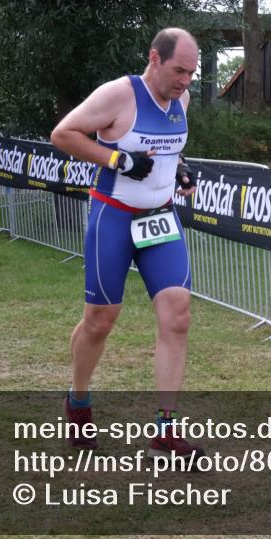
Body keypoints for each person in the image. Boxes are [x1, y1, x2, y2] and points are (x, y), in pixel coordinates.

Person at [51, 28, 201, 458]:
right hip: (113, 215)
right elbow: (64, 134)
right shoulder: (119, 95)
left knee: (177, 316)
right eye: (178, 71)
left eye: (192, 73)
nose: (185, 81)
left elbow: (167, 152)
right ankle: (78, 402)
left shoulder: (181, 101)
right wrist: (117, 159)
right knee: (100, 320)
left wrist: (181, 171)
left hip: (160, 219)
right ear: (154, 58)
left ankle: (165, 430)